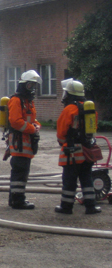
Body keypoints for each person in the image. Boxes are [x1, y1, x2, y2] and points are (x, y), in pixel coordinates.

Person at [55, 78, 101, 215]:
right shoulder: (90, 108)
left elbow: (61, 131)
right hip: (87, 151)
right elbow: (93, 129)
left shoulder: (69, 109)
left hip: (72, 153)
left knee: (69, 180)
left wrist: (63, 142)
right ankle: (91, 206)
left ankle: (66, 207)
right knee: (87, 179)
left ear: (69, 94)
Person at [6, 70, 42, 210]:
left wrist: (37, 125)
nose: (32, 89)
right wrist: (32, 129)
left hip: (25, 144)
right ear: (23, 85)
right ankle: (18, 201)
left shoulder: (28, 102)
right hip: (19, 143)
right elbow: (15, 121)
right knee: (20, 172)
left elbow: (31, 119)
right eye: (30, 86)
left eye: (33, 86)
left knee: (22, 171)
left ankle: (14, 199)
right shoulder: (16, 100)